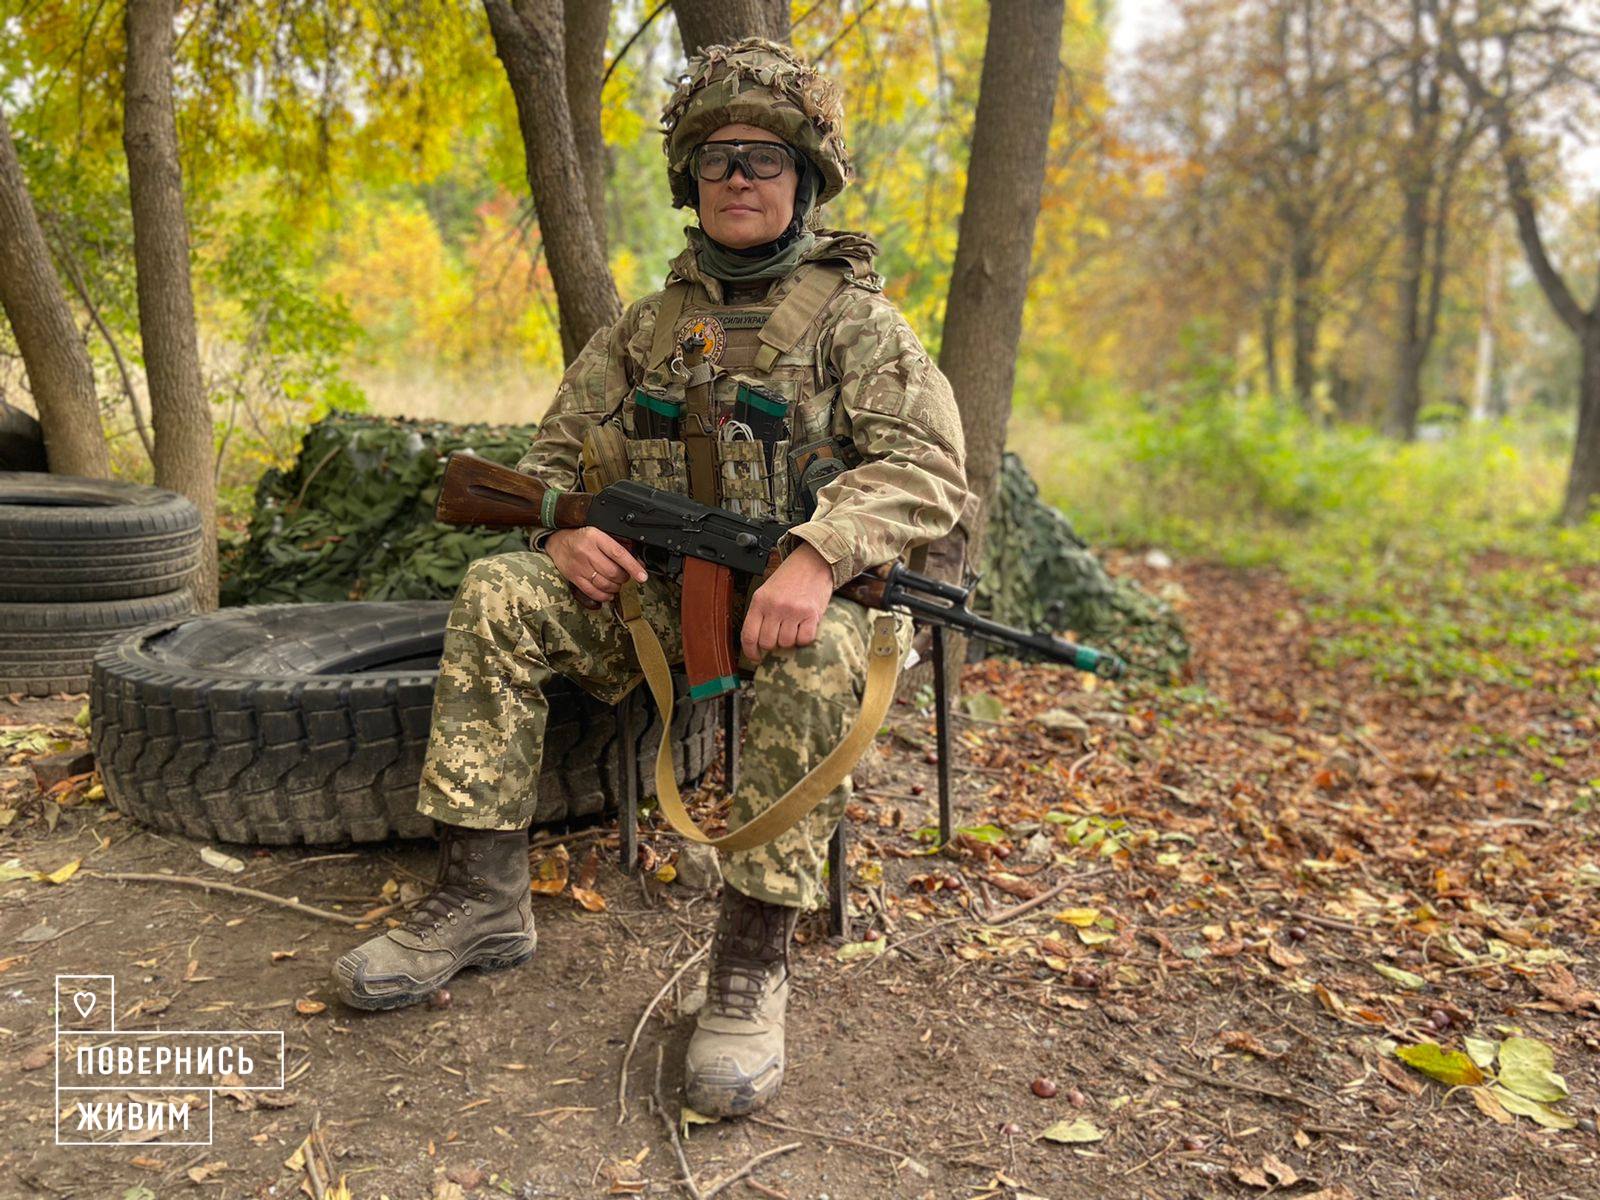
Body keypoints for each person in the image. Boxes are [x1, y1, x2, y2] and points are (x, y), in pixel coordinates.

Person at [331, 38, 968, 1119]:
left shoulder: (860, 327)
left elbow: (928, 472)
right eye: (717, 159)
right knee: (497, 593)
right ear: (689, 179)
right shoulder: (646, 330)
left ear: (803, 179)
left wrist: (817, 553)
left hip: (792, 608)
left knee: (820, 658)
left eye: (763, 160)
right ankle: (481, 895)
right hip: (652, 602)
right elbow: (545, 467)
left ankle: (748, 965)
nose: (738, 178)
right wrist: (554, 536)